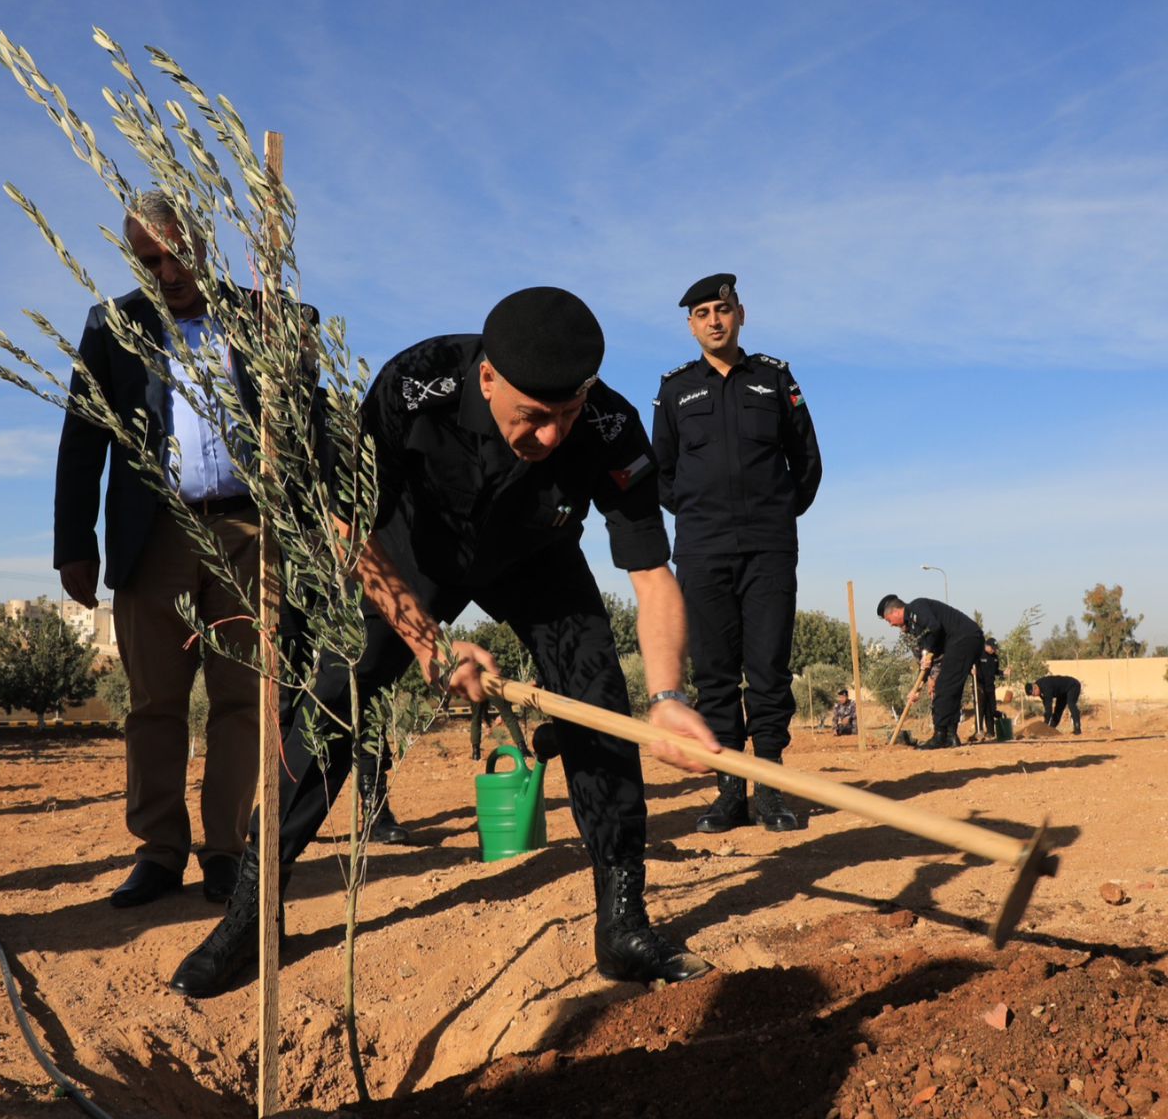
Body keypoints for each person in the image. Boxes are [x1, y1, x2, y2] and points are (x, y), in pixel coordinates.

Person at [167, 286, 724, 999]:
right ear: (488, 378)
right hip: (413, 553)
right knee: (333, 702)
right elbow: (349, 529)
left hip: (537, 555)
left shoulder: (612, 426)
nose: (551, 437)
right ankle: (251, 916)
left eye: (567, 415)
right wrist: (431, 645)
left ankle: (622, 922)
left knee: (599, 705)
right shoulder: (415, 383)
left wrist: (669, 697)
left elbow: (650, 574)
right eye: (533, 416)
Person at [55, 191, 331, 909]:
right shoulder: (111, 326)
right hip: (154, 533)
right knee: (154, 702)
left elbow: (311, 420)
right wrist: (73, 544)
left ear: (205, 248)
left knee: (243, 700)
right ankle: (158, 850)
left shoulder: (266, 319)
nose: (167, 272)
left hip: (249, 533)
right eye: (149, 261)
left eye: (178, 255)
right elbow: (83, 438)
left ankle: (226, 848)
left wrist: (323, 515)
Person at [652, 274, 821, 833]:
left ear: (740, 314)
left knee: (768, 667)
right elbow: (664, 475)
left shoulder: (774, 379)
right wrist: (704, 517)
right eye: (702, 313)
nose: (714, 320)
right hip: (702, 549)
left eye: (722, 309)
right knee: (716, 671)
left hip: (770, 547)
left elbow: (807, 461)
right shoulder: (675, 390)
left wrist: (774, 513)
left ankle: (771, 787)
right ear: (691, 324)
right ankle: (729, 791)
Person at [877, 595, 984, 750]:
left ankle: (939, 736)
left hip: (965, 638)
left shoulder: (916, 607)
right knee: (951, 689)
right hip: (966, 641)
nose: (891, 625)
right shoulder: (914, 626)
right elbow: (926, 661)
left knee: (943, 687)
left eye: (888, 620)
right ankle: (951, 736)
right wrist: (918, 687)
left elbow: (934, 627)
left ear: (895, 612)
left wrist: (927, 652)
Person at [972, 637, 1003, 741]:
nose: (994, 650)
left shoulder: (995, 657)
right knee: (980, 710)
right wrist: (971, 672)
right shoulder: (978, 655)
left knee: (991, 710)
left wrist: (1004, 673)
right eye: (992, 648)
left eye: (995, 648)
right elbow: (970, 667)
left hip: (990, 686)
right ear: (987, 646)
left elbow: (996, 671)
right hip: (980, 686)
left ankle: (990, 732)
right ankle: (978, 731)